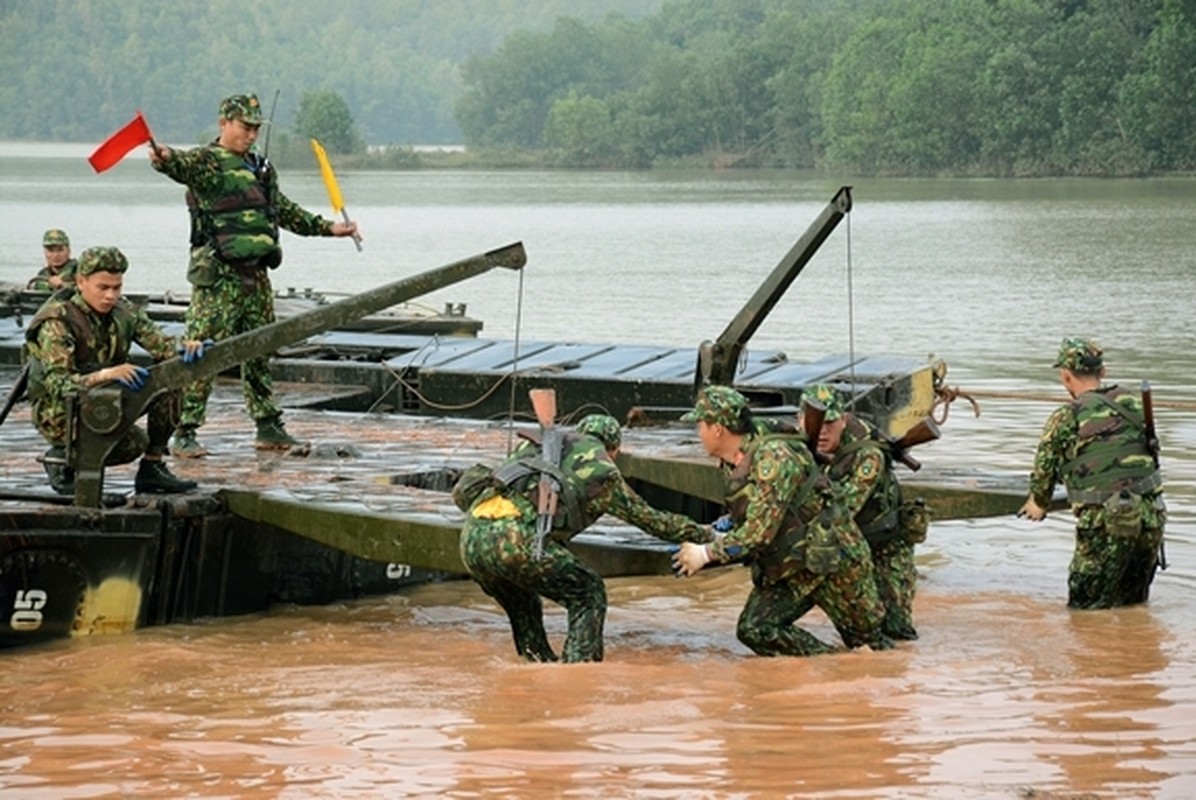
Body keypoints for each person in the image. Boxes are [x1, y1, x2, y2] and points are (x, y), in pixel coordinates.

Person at [148, 93, 360, 458]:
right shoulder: (207, 163)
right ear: (224, 123)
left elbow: (283, 211)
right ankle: (184, 430)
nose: (251, 134)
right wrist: (163, 157)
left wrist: (328, 228)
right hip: (219, 277)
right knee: (201, 354)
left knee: (260, 351)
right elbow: (178, 164)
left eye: (256, 128)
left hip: (256, 275)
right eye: (246, 127)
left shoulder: (261, 168)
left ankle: (268, 426)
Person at [456, 412, 712, 663]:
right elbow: (654, 522)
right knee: (589, 593)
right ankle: (577, 675)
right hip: (515, 541)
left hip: (471, 540)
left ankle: (534, 672)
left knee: (525, 605)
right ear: (614, 450)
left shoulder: (537, 444)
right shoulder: (602, 469)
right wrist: (706, 533)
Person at [672, 385, 892, 657]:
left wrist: (706, 554)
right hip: (791, 564)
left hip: (835, 561)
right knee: (756, 629)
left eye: (701, 425)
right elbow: (755, 514)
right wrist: (720, 531)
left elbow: (759, 534)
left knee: (870, 645)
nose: (699, 433)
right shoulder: (737, 456)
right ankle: (832, 668)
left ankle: (849, 668)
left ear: (718, 429)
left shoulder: (774, 458)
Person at [24, 246, 208, 495]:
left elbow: (163, 346)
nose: (110, 295)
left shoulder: (124, 311)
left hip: (106, 397)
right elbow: (58, 384)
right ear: (81, 282)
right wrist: (106, 374)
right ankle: (63, 456)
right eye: (103, 288)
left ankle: (152, 467)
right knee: (130, 445)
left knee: (171, 382)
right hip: (61, 410)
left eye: (116, 287)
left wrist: (187, 347)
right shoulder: (58, 322)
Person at [1017, 337, 1166, 609]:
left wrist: (1038, 502)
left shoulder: (1067, 415)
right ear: (1103, 372)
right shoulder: (1134, 402)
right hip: (1151, 516)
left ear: (1065, 376)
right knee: (1134, 606)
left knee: (1086, 613)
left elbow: (1045, 464)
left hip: (1104, 520)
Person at [801, 384, 924, 641]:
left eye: (830, 423)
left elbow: (843, 511)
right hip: (845, 548)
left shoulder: (868, 455)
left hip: (883, 546)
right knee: (859, 630)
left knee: (895, 629)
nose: (822, 431)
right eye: (816, 423)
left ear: (844, 421)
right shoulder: (795, 447)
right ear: (800, 419)